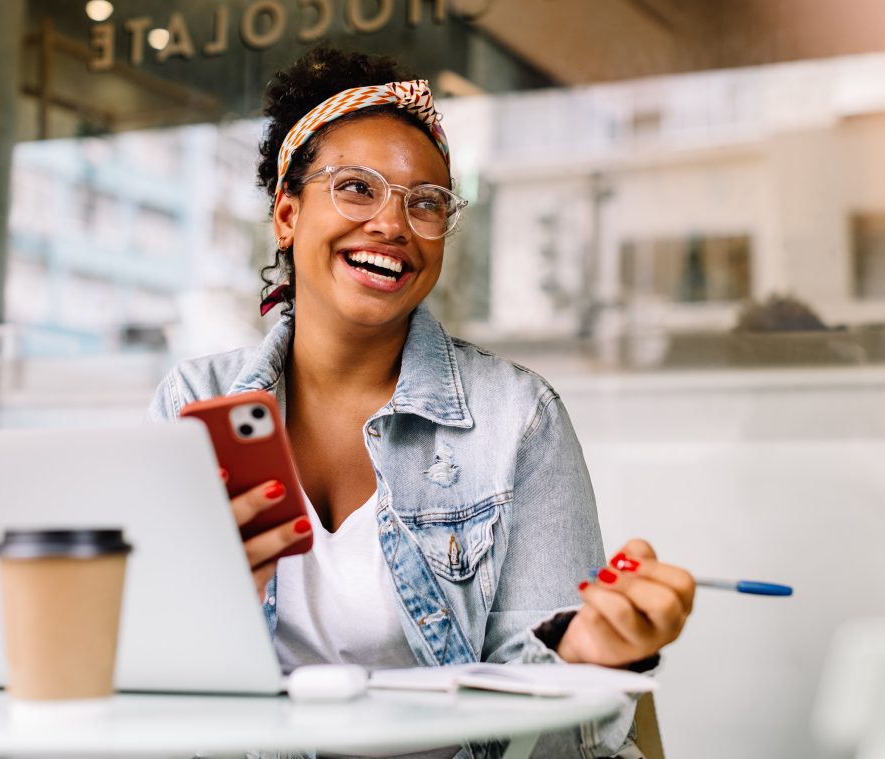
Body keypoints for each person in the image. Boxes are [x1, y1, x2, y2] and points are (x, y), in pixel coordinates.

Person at [149, 45, 695, 758]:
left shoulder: (517, 418)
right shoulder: (195, 405)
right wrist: (211, 608)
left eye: (427, 202)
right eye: (356, 188)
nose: (393, 224)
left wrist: (585, 657)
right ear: (286, 213)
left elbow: (556, 738)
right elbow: (144, 690)